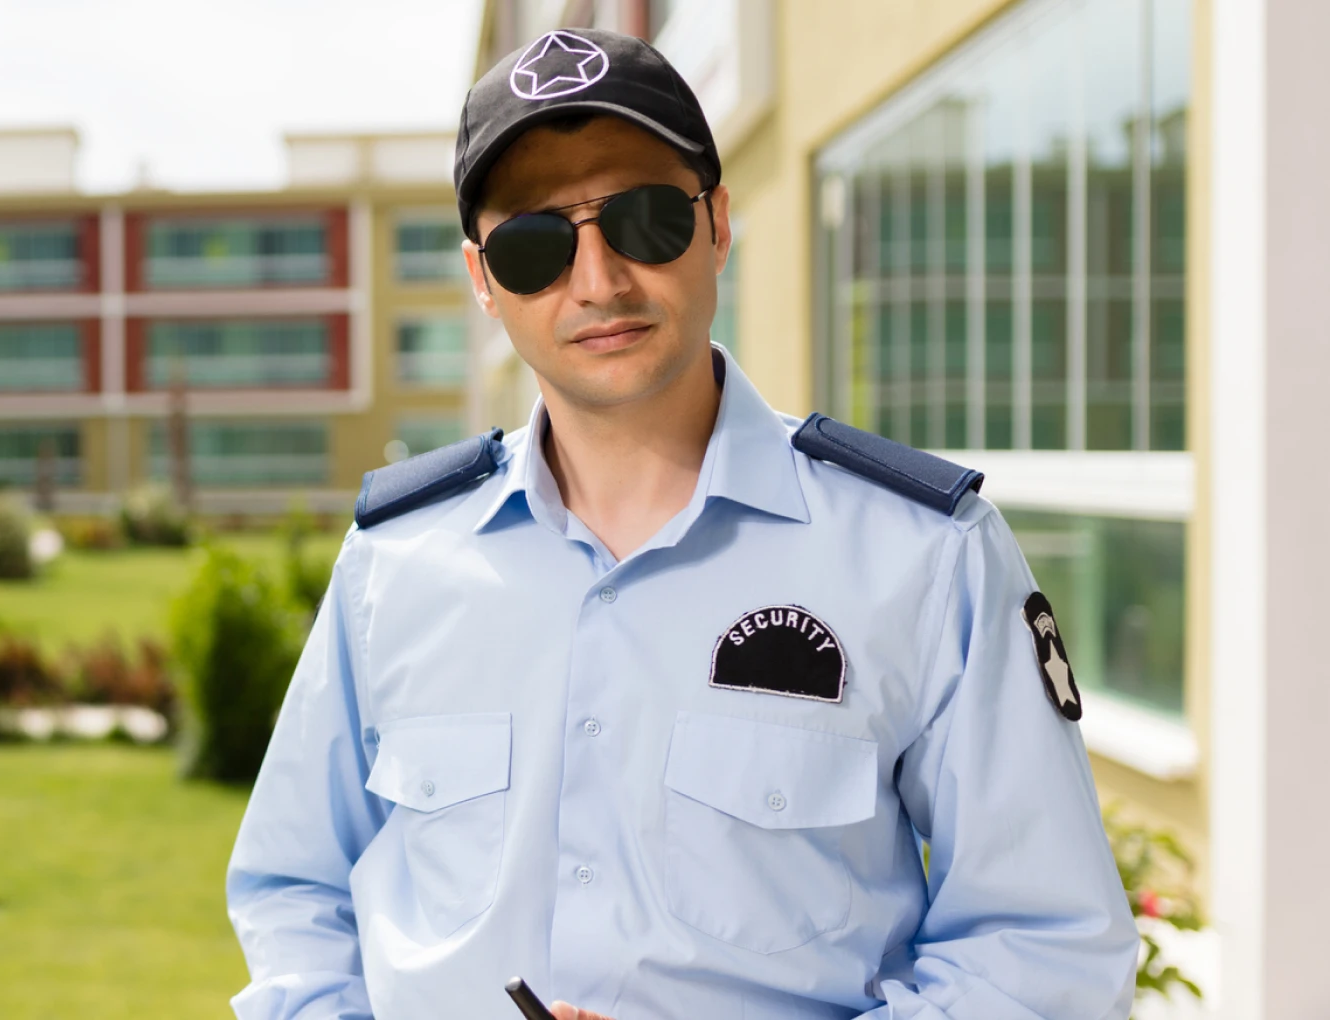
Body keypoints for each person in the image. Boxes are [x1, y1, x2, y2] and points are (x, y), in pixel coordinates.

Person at [222, 27, 1137, 1020]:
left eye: (646, 219)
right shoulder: (394, 561)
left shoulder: (923, 555)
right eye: (534, 245)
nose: (600, 280)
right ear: (483, 279)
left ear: (718, 225)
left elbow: (1045, 953)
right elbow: (296, 891)